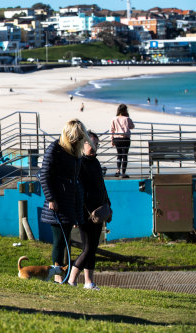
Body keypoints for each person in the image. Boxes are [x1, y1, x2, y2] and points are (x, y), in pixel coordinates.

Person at [39, 119, 90, 283]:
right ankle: (57, 275)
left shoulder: (75, 152)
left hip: (71, 201)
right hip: (58, 202)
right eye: (75, 137)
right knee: (59, 241)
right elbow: (44, 175)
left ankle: (63, 276)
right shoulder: (55, 149)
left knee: (66, 239)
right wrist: (51, 198)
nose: (77, 141)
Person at [67, 131, 111, 290]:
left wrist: (108, 204)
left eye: (96, 145)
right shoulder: (79, 163)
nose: (94, 148)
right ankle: (71, 279)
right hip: (85, 212)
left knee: (93, 247)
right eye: (91, 144)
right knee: (88, 248)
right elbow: (76, 190)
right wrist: (76, 214)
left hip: (99, 211)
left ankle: (89, 281)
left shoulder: (96, 163)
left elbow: (102, 186)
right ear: (83, 145)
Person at [110, 103, 135, 178]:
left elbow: (112, 130)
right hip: (125, 139)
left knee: (119, 155)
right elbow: (132, 126)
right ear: (125, 111)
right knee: (125, 156)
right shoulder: (127, 119)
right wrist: (128, 117)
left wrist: (112, 140)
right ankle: (123, 172)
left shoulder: (114, 118)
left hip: (116, 139)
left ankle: (118, 171)